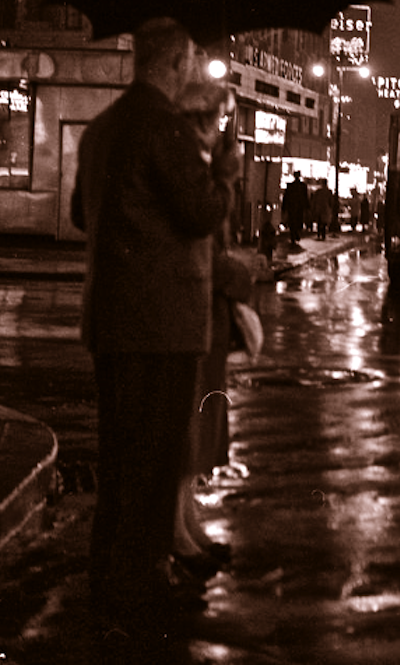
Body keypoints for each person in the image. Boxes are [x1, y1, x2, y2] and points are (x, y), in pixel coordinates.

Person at [71, 18, 239, 635]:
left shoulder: (102, 129)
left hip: (110, 323)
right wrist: (223, 170)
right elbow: (200, 212)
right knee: (154, 459)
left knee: (120, 460)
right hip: (163, 328)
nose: (191, 72)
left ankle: (108, 579)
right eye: (189, 62)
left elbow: (81, 214)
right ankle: (141, 585)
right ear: (173, 66)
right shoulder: (162, 128)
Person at [172, 81, 255, 584]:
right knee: (188, 433)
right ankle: (177, 533)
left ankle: (187, 522)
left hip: (204, 322)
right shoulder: (188, 160)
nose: (220, 129)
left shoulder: (193, 159)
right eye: (217, 120)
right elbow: (199, 228)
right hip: (191, 316)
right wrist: (237, 274)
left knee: (199, 435)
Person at [282, 171, 310, 246]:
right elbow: (305, 198)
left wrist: (284, 208)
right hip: (299, 207)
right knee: (298, 221)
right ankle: (296, 234)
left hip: (291, 207)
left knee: (292, 222)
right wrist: (307, 207)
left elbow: (286, 197)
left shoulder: (290, 186)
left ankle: (293, 236)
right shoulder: (303, 186)